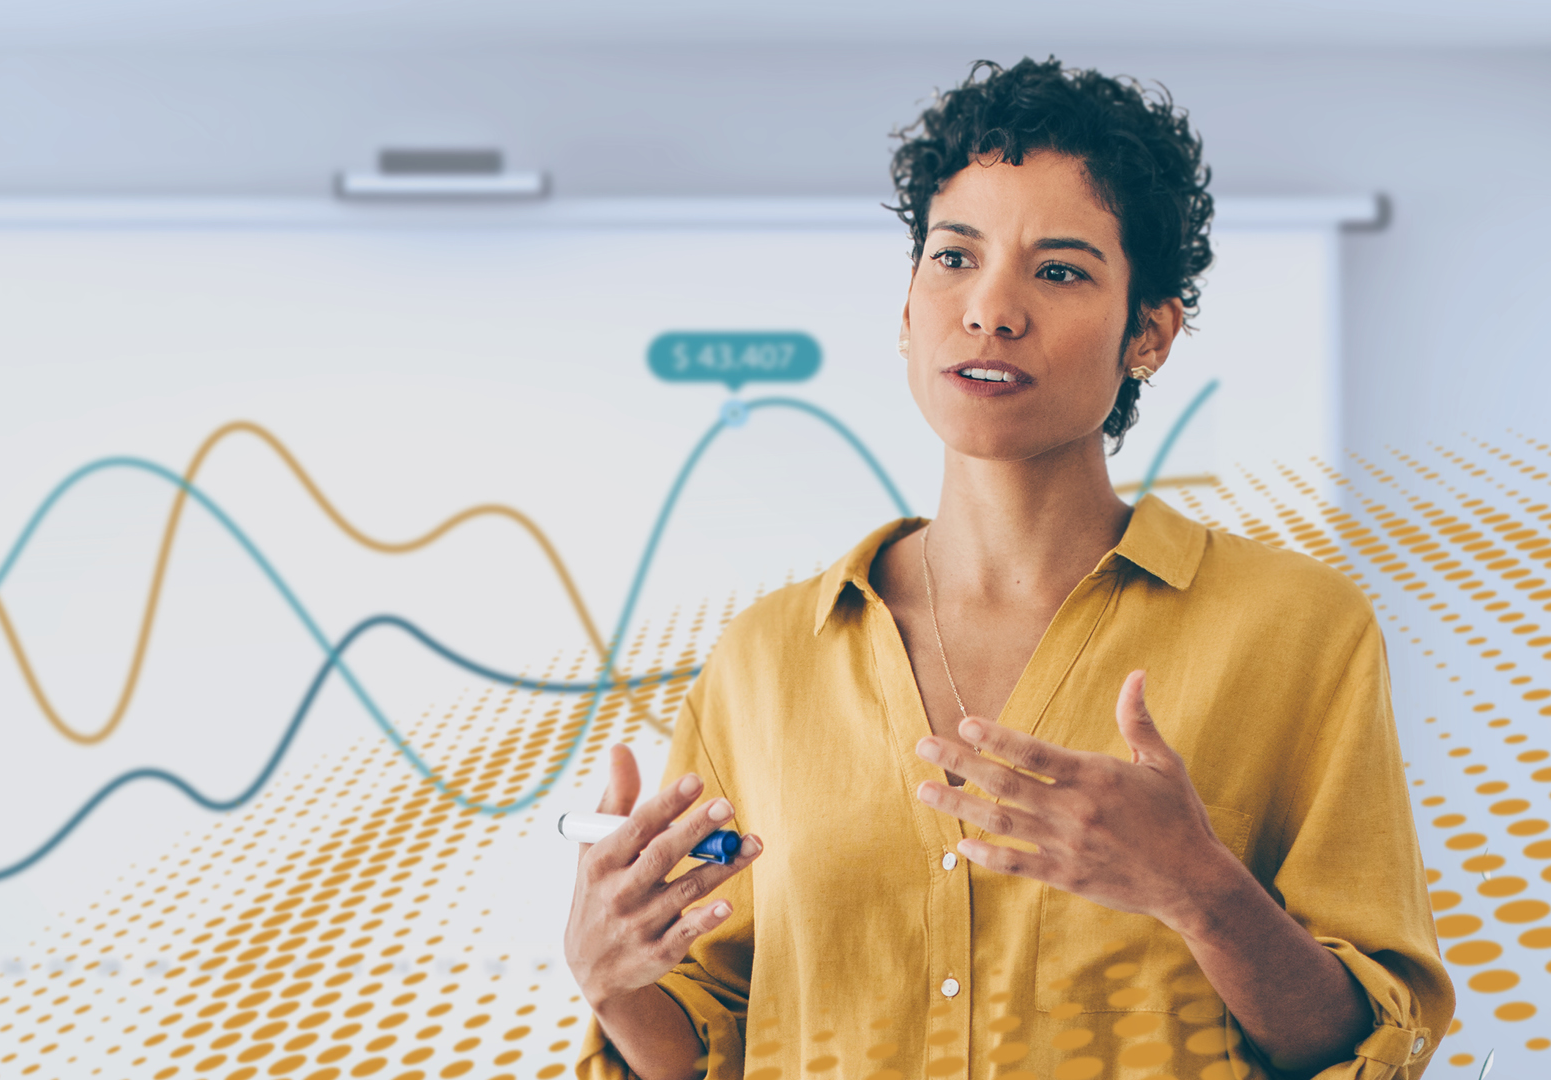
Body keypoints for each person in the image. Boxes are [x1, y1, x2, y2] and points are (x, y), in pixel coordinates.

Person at [563, 57, 1452, 1080]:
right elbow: (716, 1035)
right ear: (905, 309)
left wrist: (1199, 890)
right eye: (953, 258)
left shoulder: (1301, 630)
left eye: (1060, 269)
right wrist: (615, 980)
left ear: (1149, 335)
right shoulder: (764, 660)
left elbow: (1376, 1041)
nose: (990, 309)